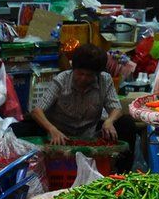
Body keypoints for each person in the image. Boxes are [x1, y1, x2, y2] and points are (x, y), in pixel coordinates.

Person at [11, 43, 135, 171]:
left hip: (89, 135)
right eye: (80, 73)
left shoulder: (105, 80)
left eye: (89, 75)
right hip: (58, 135)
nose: (84, 78)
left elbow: (116, 108)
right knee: (17, 129)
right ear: (73, 68)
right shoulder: (62, 79)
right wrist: (52, 129)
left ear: (97, 74)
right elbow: (37, 111)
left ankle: (122, 174)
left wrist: (109, 121)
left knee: (127, 124)